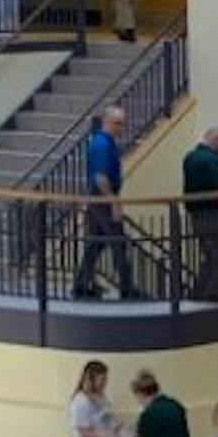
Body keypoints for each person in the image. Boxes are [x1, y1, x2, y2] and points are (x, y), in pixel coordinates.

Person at [71, 103, 130, 301]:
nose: (121, 128)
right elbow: (101, 178)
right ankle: (127, 289)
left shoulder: (105, 142)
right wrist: (114, 202)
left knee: (96, 244)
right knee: (118, 242)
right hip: (102, 199)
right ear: (106, 122)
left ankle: (81, 285)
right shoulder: (102, 144)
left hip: (99, 199)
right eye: (117, 124)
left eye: (122, 124)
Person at [179, 123, 218, 303]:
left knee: (209, 255)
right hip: (212, 214)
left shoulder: (190, 157)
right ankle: (214, 293)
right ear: (215, 140)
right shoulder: (213, 161)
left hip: (196, 215)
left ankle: (199, 292)